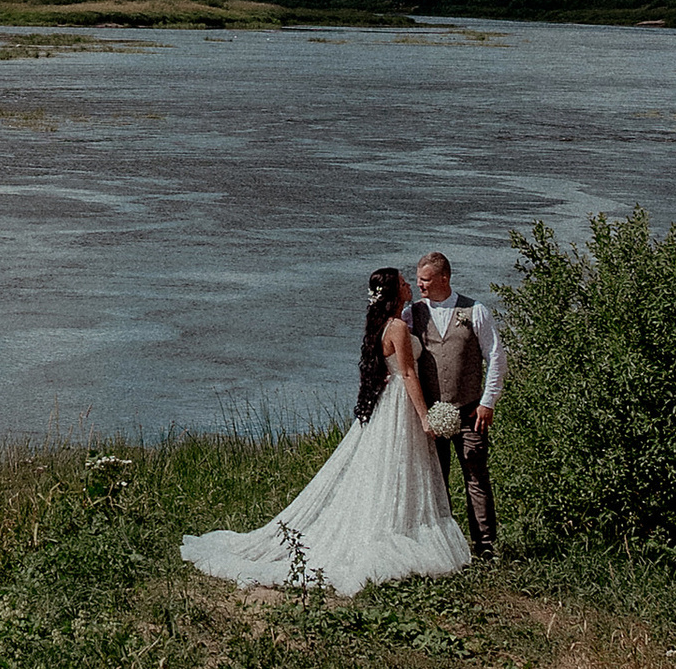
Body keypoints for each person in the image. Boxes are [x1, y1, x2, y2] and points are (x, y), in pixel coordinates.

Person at [179, 263, 473, 595]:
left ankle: (397, 521)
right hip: (401, 406)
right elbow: (407, 374)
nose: (409, 286)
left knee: (394, 468)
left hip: (389, 405)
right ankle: (394, 529)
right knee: (399, 466)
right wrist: (425, 417)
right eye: (404, 283)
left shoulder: (385, 326)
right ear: (393, 293)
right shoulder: (398, 328)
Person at [412, 250, 508, 560]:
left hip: (470, 411)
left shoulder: (475, 311)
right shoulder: (412, 314)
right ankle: (443, 547)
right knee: (435, 481)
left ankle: (485, 545)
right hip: (431, 417)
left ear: (444, 278)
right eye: (418, 280)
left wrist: (488, 402)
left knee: (476, 477)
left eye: (425, 280)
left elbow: (496, 357)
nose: (419, 285)